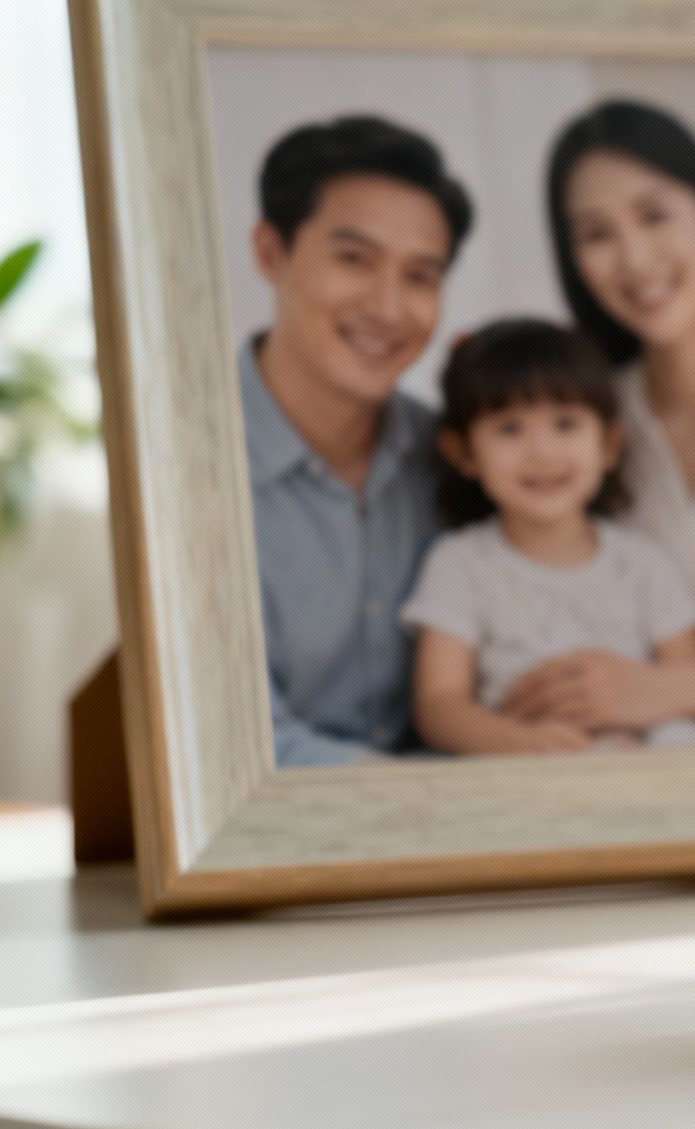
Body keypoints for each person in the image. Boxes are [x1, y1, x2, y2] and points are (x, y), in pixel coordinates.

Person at [500, 100, 695, 741]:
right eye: (596, 234)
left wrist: (658, 691)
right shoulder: (577, 436)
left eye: (654, 215)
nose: (634, 257)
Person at [239, 115, 471, 766]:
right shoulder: (186, 462)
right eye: (354, 259)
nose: (389, 308)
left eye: (420, 276)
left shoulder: (457, 460)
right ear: (270, 252)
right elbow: (235, 751)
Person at [401, 319, 695, 755]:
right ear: (464, 453)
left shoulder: (645, 563)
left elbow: (690, 688)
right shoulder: (459, 563)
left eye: (565, 424)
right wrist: (519, 744)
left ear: (608, 445)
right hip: (524, 785)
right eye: (509, 428)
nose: (542, 452)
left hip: (647, 783)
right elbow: (438, 706)